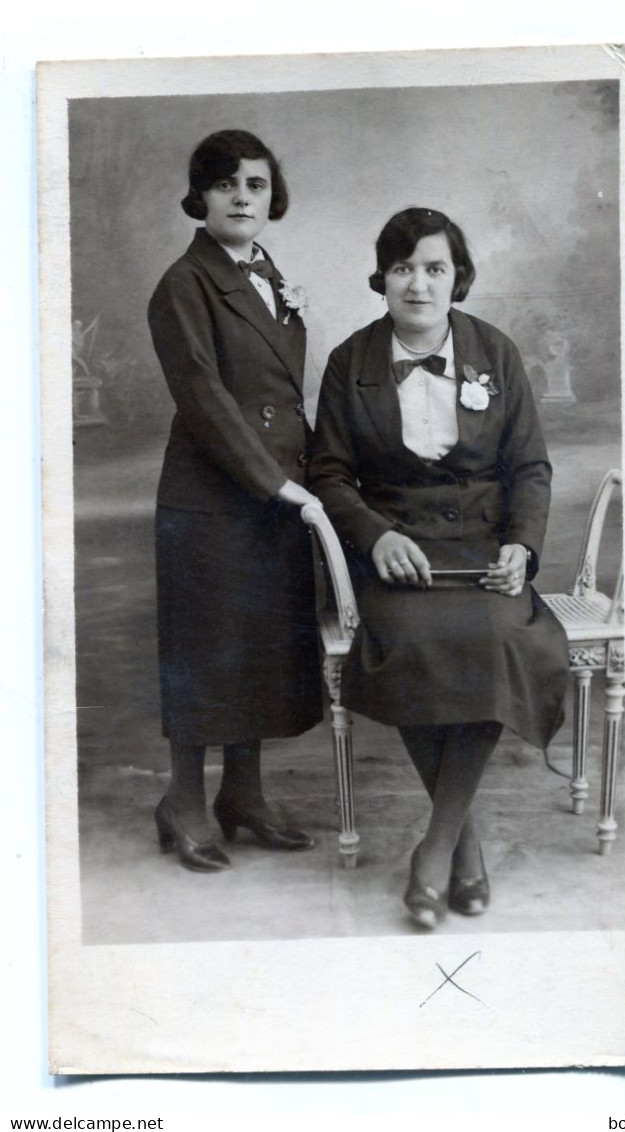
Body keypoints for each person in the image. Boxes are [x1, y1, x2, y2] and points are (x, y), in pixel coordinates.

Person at [310, 207, 569, 927]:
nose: (417, 284)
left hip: (484, 551)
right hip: (400, 551)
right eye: (402, 268)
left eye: (434, 268)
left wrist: (520, 546)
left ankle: (436, 849)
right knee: (411, 642)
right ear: (382, 279)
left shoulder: (497, 351)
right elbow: (330, 473)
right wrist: (375, 536)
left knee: (495, 640)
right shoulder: (350, 362)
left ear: (457, 279)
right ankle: (463, 846)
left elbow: (531, 467)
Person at [147, 129, 323, 872]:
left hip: (273, 494)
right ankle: (184, 800)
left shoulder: (267, 273)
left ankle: (242, 795)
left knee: (257, 649)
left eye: (255, 183)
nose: (242, 196)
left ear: (269, 195)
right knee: (204, 652)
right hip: (213, 499)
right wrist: (280, 486)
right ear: (202, 197)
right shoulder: (183, 284)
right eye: (226, 184)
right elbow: (208, 400)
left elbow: (281, 394)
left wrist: (306, 481)